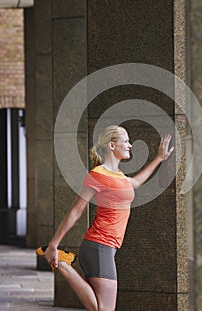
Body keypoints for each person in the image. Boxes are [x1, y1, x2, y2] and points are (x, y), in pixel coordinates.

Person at [37, 125, 174, 311]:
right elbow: (77, 210)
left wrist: (159, 158)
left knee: (101, 309)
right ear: (112, 145)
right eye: (125, 141)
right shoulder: (97, 175)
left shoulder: (119, 176)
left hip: (106, 247)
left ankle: (63, 263)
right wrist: (54, 243)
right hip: (99, 246)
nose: (130, 145)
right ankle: (62, 264)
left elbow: (135, 183)